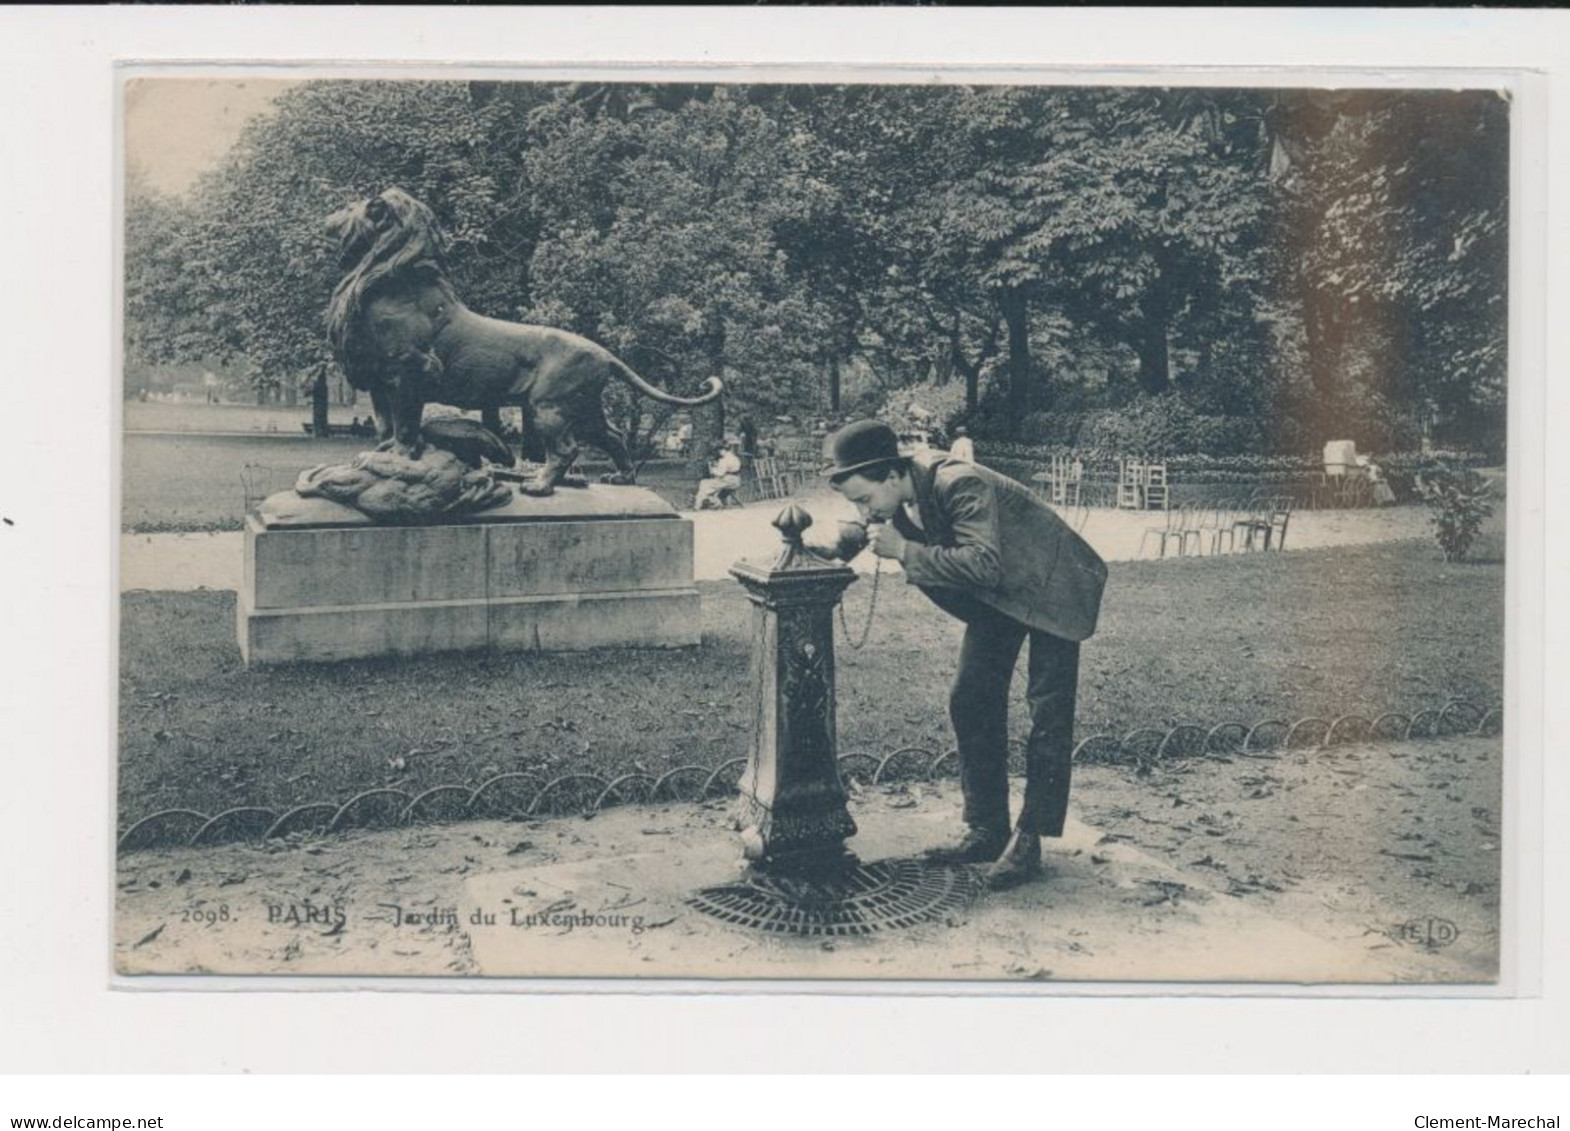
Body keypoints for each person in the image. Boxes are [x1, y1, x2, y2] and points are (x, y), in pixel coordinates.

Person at [813, 420, 1107, 889]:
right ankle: (988, 828)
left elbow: (982, 564)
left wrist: (906, 550)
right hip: (1004, 595)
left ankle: (1029, 839)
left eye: (864, 498)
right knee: (971, 698)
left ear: (892, 475)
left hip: (1055, 587)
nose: (863, 510)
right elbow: (871, 522)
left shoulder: (957, 481)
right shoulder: (900, 489)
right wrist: (838, 544)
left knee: (1048, 713)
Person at [695, 441, 744, 510]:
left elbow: (720, 474)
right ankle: (710, 501)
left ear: (723, 450)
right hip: (736, 480)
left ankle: (699, 504)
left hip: (728, 480)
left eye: (719, 450)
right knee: (709, 484)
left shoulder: (724, 460)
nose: (719, 452)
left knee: (704, 483)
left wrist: (712, 469)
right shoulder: (734, 457)